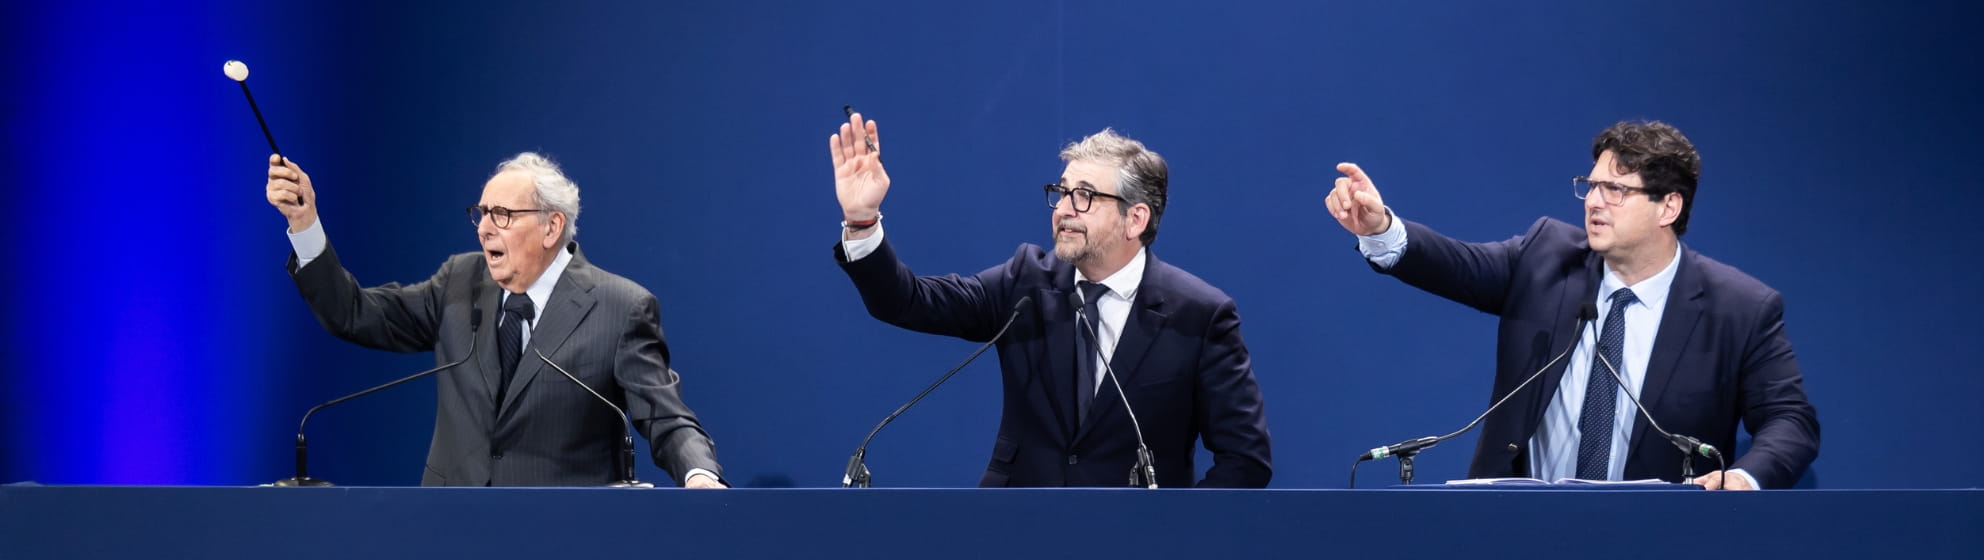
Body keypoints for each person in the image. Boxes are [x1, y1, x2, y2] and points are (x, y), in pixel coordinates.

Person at [1325, 121, 1819, 489]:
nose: (1593, 202)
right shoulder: (1546, 258)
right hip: (1522, 535)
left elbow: (1790, 421)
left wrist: (1743, 478)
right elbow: (1459, 264)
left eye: (1616, 190)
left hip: (1660, 539)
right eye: (1591, 185)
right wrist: (1382, 229)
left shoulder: (1739, 307)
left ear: (1668, 206)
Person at [827, 113, 1273, 487]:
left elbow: (1245, 458)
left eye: (1085, 196)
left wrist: (1177, 537)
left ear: (1135, 218)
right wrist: (862, 221)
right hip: (1018, 534)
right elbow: (907, 301)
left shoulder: (1198, 314)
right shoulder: (1026, 282)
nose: (1062, 210)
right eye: (1060, 193)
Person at [265, 152, 726, 487]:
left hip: (561, 541)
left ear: (552, 227)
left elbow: (666, 417)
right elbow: (354, 313)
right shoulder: (459, 281)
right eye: (481, 213)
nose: (485, 227)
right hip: (448, 535)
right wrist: (305, 225)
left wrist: (699, 475)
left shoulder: (619, 307)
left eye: (502, 214)